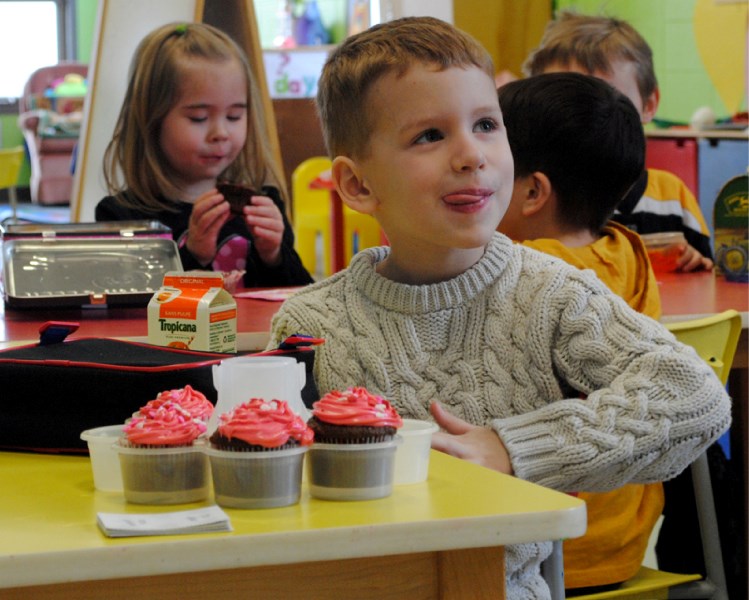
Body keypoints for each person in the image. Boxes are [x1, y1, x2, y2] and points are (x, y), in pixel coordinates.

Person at [266, 16, 731, 600]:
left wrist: (515, 448)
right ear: (357, 185)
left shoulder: (549, 292)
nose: (470, 155)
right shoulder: (312, 324)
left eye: (487, 125)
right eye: (429, 136)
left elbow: (694, 395)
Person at [497, 72, 662, 595]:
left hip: (542, 552)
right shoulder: (630, 252)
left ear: (530, 191)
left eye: (489, 153)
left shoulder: (525, 271)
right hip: (624, 542)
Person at [96, 22, 313, 289]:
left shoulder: (263, 203)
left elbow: (301, 298)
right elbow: (137, 309)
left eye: (234, 116)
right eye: (198, 118)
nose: (220, 133)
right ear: (151, 121)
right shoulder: (123, 217)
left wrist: (274, 255)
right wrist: (193, 256)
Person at [522, 11, 714, 272]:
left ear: (648, 104)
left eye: (604, 100)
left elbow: (706, 278)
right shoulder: (527, 198)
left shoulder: (671, 197)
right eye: (563, 101)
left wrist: (695, 261)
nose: (580, 119)